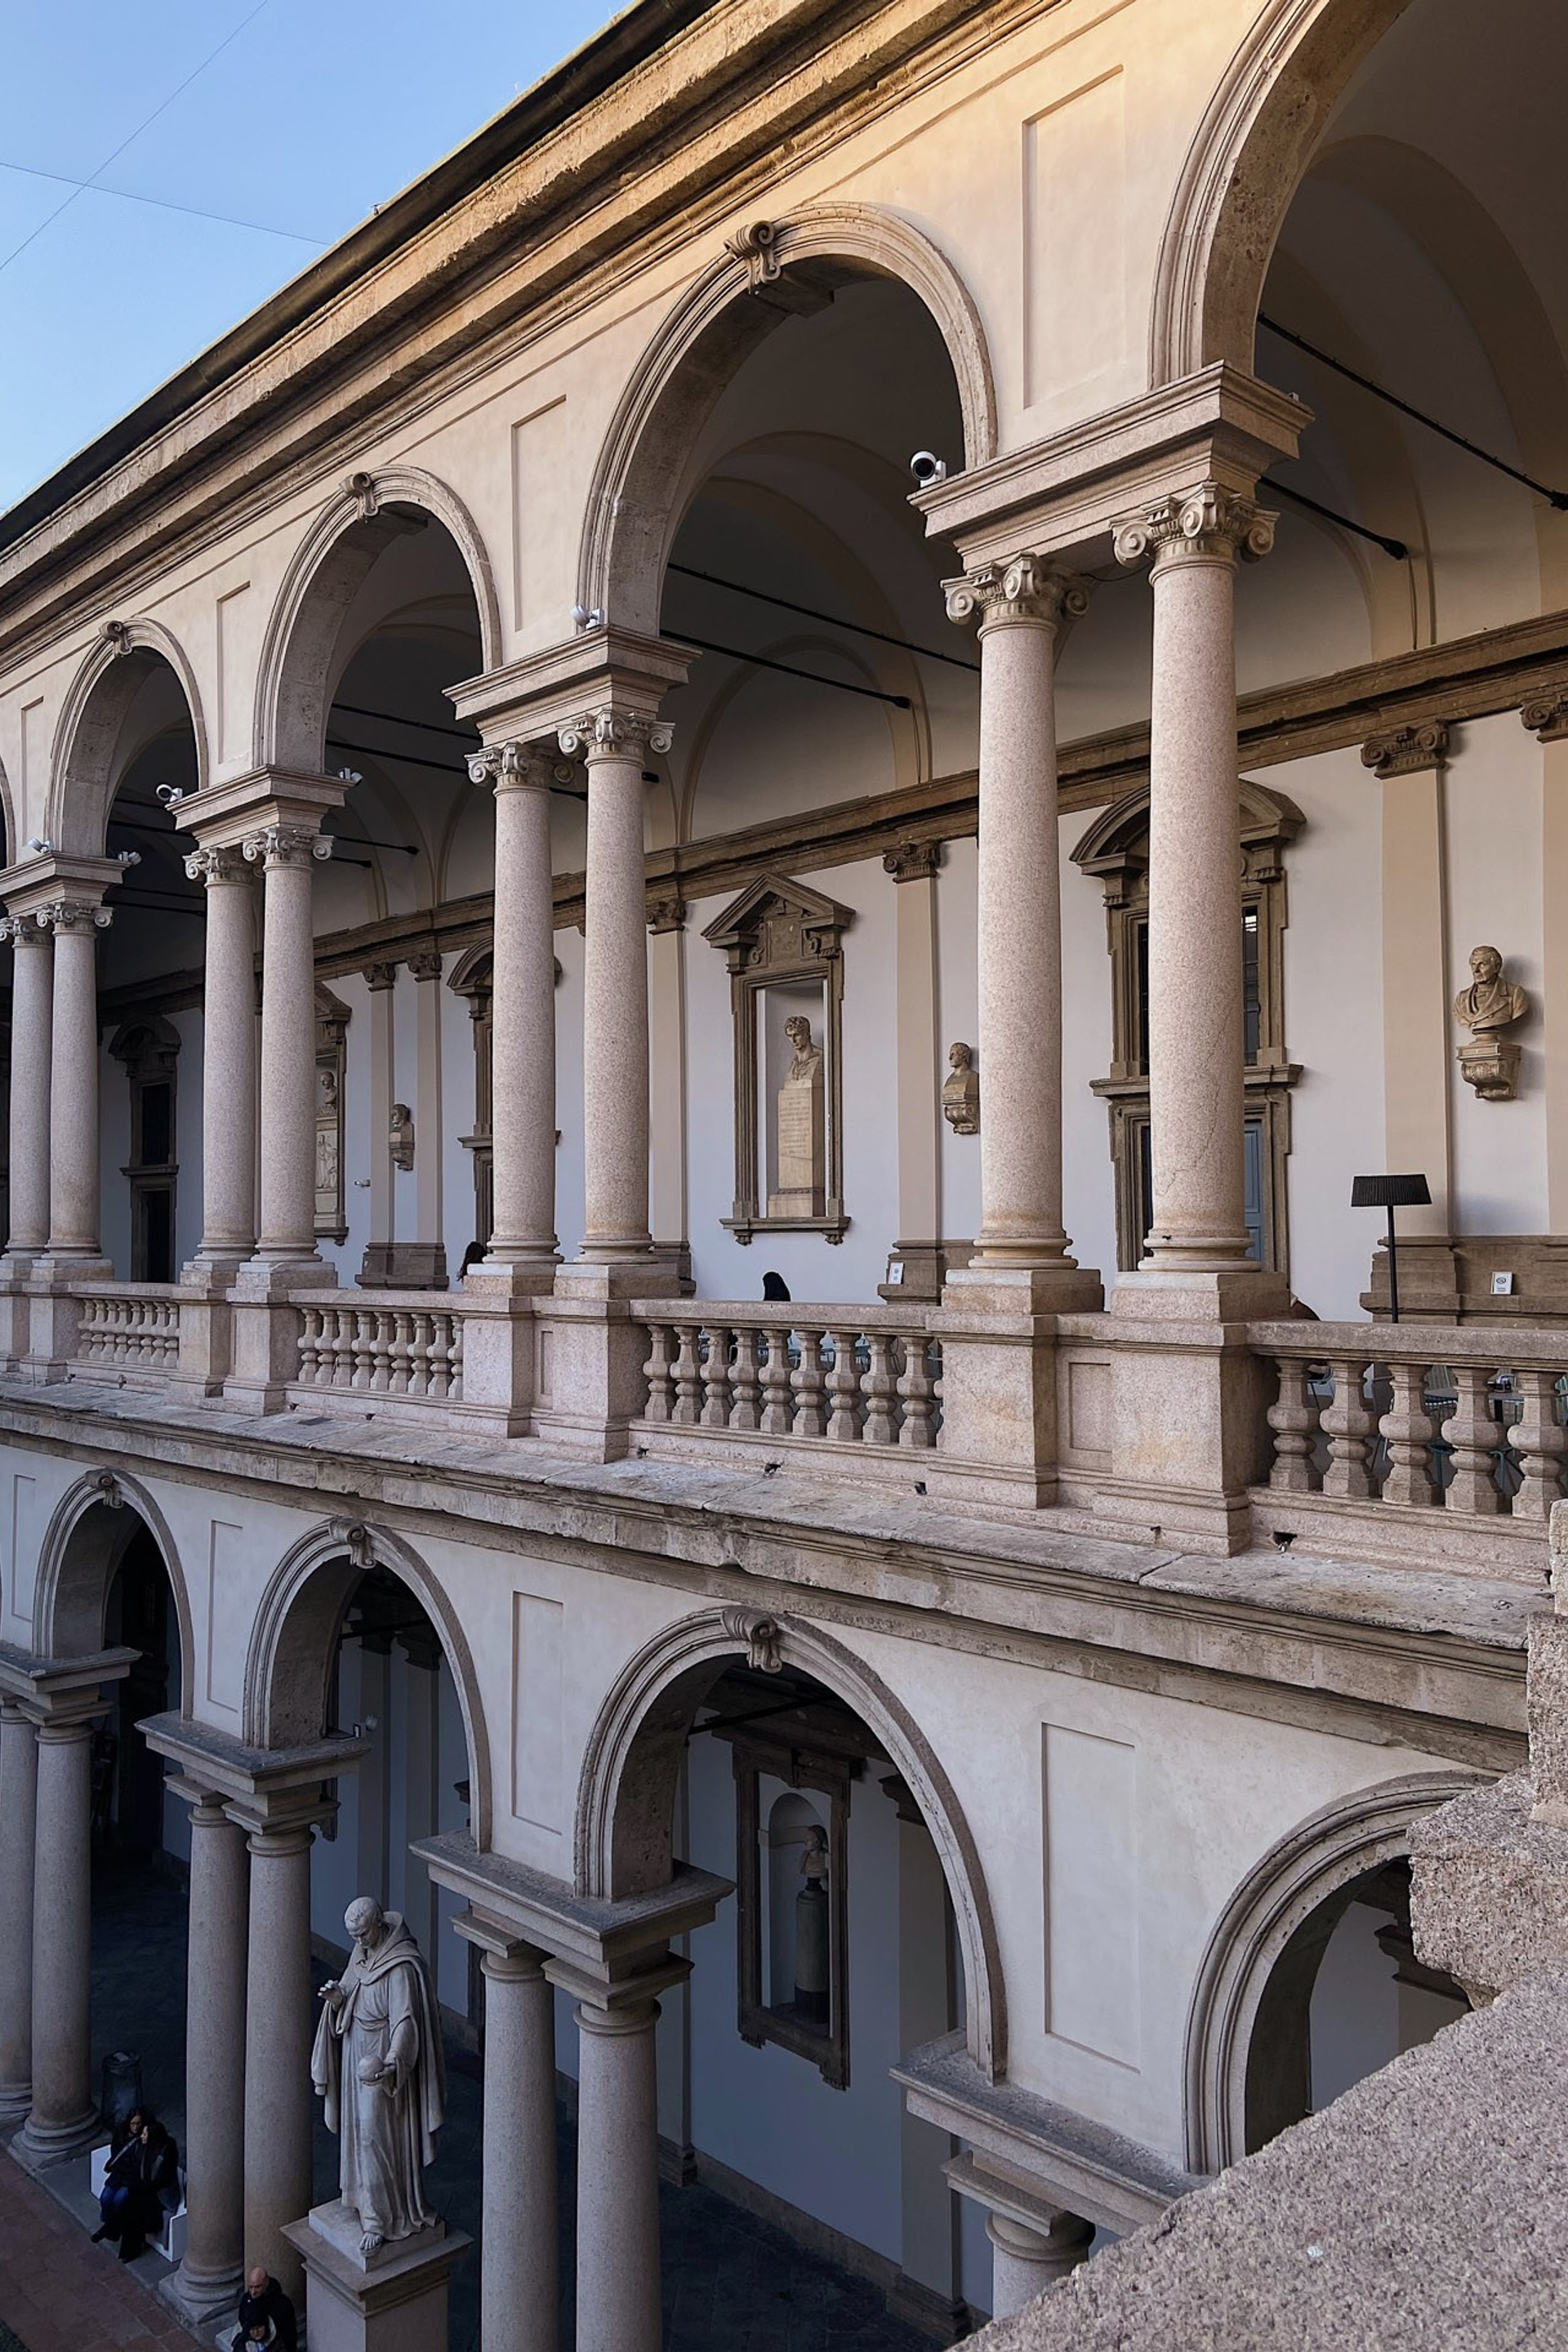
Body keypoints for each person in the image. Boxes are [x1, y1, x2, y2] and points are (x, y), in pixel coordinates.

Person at [92, 2113, 178, 2262]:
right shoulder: (147, 2149)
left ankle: (110, 2232)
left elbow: (155, 2180)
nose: (142, 2136)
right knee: (130, 2208)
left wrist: (136, 2187)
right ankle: (118, 2240)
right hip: (146, 2192)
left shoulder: (162, 2154)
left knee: (132, 2210)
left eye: (145, 2134)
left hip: (160, 2197)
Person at [233, 2267, 297, 2352]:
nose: (253, 2292)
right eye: (250, 2287)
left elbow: (289, 2334)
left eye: (257, 2287)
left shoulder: (282, 2306)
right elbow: (242, 2320)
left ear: (266, 2283)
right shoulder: (246, 2299)